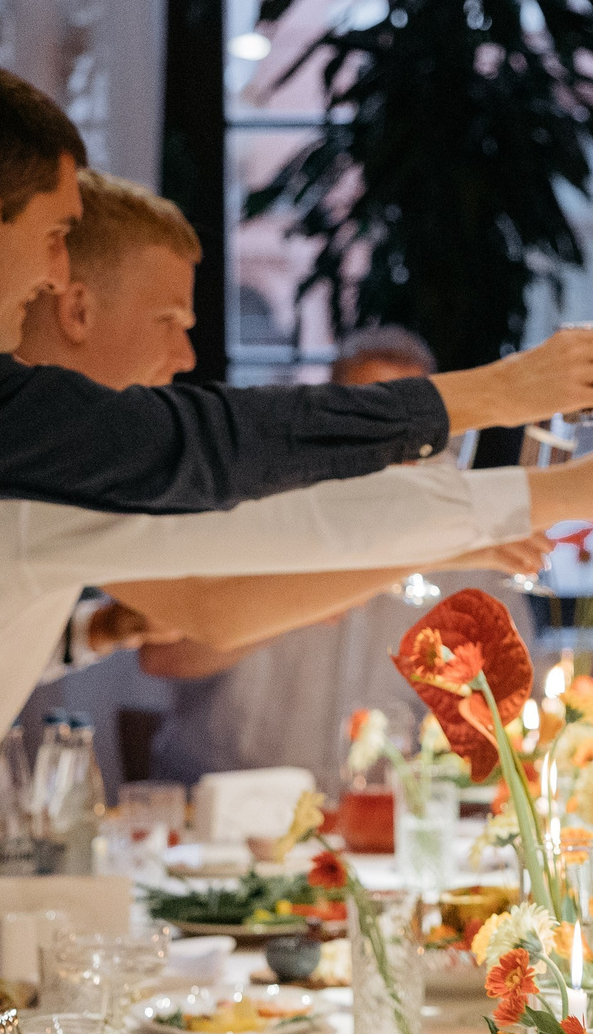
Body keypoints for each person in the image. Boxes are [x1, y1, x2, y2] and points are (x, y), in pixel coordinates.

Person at [0, 63, 593, 956]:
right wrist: (508, 438)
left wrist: (85, 630)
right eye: (54, 237)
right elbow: (212, 486)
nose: (58, 274)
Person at [142, 323, 537, 788]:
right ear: (328, 419)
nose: (395, 447)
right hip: (223, 802)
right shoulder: (258, 509)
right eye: (373, 418)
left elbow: (516, 698)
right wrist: (292, 604)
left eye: (413, 428)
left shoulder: (462, 545)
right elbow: (160, 655)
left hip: (387, 817)